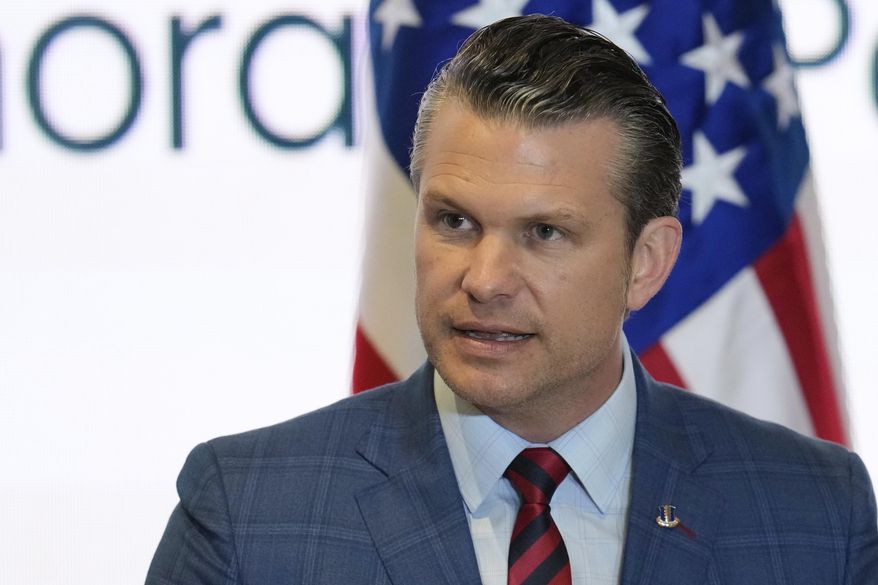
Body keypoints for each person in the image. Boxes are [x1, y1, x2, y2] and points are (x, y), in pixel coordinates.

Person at [146, 15, 878, 585]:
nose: (486, 278)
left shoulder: (813, 513)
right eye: (454, 221)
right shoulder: (252, 515)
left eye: (545, 232)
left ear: (646, 262)